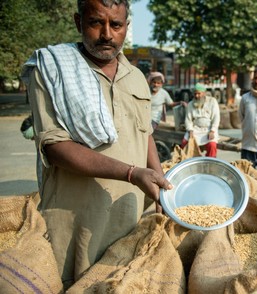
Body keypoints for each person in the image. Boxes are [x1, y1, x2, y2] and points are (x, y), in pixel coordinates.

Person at [20, 0, 172, 289]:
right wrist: (132, 173)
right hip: (76, 221)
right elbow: (54, 146)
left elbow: (144, 134)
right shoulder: (52, 71)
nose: (106, 34)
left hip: (128, 218)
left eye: (115, 25)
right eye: (95, 23)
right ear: (79, 23)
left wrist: (161, 180)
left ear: (126, 27)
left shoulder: (137, 78)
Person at [181, 83, 220, 157]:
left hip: (209, 129)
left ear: (204, 93)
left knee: (212, 145)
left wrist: (212, 131)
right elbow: (188, 120)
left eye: (199, 93)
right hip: (196, 129)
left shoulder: (212, 101)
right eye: (195, 94)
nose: (197, 96)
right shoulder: (190, 104)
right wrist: (190, 130)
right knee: (184, 143)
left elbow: (216, 118)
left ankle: (210, 163)